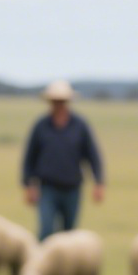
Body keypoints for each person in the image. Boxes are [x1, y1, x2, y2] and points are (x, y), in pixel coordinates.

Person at [20, 80, 105, 239]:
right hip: (47, 188)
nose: (58, 104)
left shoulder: (80, 125)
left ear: (68, 102)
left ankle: (66, 265)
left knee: (69, 234)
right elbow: (29, 157)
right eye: (55, 101)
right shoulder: (41, 126)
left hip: (72, 188)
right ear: (49, 102)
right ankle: (43, 263)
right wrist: (28, 185)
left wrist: (98, 182)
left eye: (62, 101)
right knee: (46, 230)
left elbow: (92, 155)